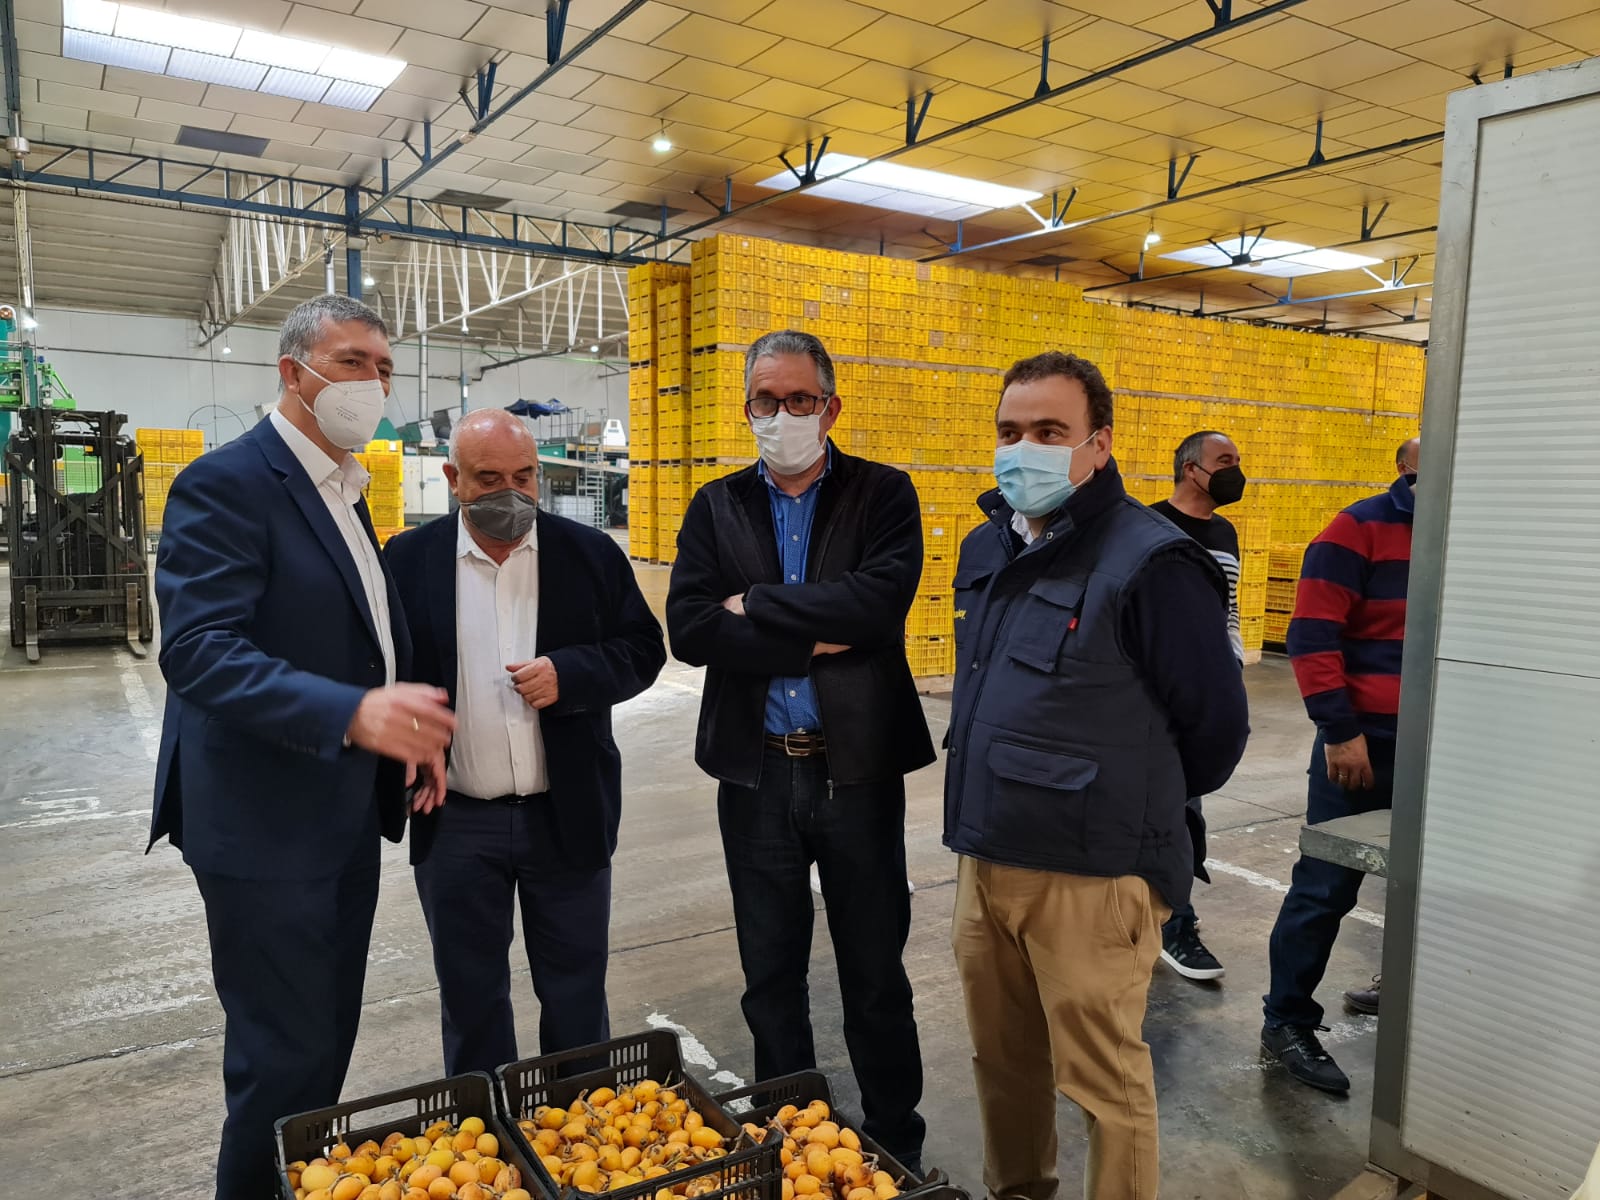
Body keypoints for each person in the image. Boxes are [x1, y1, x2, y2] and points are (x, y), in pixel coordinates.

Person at [149, 293, 457, 1200]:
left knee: (321, 1046)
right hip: (264, 827)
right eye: (355, 361)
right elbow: (198, 650)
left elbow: (359, 636)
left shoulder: (344, 490)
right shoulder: (230, 482)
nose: (376, 382)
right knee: (282, 1062)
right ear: (295, 373)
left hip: (336, 815)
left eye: (385, 367)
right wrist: (353, 714)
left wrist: (405, 739)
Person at [946, 351, 1249, 1200]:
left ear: (1099, 444)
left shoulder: (1153, 561)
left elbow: (1217, 727)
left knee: (1103, 1085)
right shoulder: (988, 543)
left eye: (1050, 432)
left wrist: (1132, 809)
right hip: (987, 858)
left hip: (1093, 873)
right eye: (1010, 432)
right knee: (1002, 1064)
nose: (1024, 450)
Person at [665, 329, 935, 1170]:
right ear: (746, 405)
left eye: (799, 400)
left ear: (830, 405)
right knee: (769, 973)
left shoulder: (884, 494)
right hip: (757, 772)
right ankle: (792, 1146)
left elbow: (878, 607)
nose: (780, 415)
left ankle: (896, 1141)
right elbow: (691, 626)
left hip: (855, 768)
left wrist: (760, 611)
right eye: (765, 400)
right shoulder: (717, 504)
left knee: (874, 972)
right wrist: (805, 635)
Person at [384, 409, 665, 1075]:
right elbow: (381, 669)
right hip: (455, 821)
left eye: (523, 476)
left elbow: (643, 651)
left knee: (574, 993)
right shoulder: (409, 560)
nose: (509, 493)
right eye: (488, 478)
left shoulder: (589, 554)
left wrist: (574, 674)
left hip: (564, 815)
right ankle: (489, 1137)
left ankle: (579, 1134)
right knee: (471, 996)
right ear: (453, 479)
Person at [1260, 438, 1418, 1093]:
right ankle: (1286, 1019)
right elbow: (1312, 634)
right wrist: (1340, 730)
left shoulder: (1481, 534)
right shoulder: (1356, 530)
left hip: (1445, 753)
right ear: (1412, 464)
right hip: (1366, 745)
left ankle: (1408, 989)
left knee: (1430, 888)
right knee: (1326, 886)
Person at [1149, 430, 1247, 983]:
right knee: (1173, 805)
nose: (1236, 470)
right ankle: (1173, 924)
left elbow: (1228, 608)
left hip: (1212, 684)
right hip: (1162, 691)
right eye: (1225, 461)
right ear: (1191, 469)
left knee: (1189, 805)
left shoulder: (1226, 532)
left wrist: (1231, 662)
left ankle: (1170, 915)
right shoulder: (1151, 524)